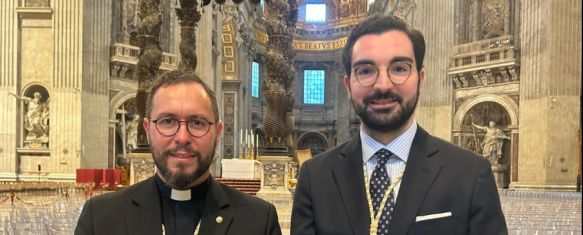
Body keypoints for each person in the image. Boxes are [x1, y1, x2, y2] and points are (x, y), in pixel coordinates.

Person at [291, 15, 507, 235]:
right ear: (348, 85)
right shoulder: (315, 177)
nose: (383, 85)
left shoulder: (470, 173)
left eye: (399, 69)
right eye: (366, 70)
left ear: (420, 80)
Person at [76, 70, 282, 235]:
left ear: (217, 133)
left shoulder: (259, 221)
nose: (182, 137)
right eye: (167, 121)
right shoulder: (100, 218)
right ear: (147, 130)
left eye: (197, 122)